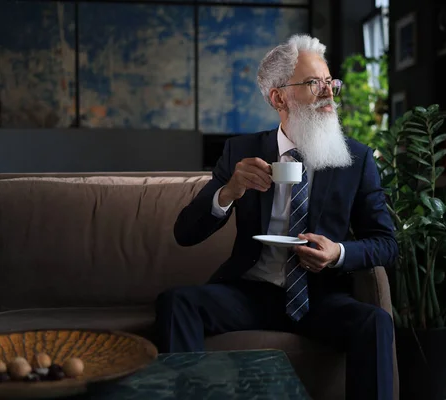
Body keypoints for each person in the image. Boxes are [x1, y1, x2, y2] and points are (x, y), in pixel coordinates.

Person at [155, 34, 398, 400]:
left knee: (375, 321)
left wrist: (338, 253)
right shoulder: (241, 151)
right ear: (278, 97)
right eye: (315, 83)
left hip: (321, 296)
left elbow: (386, 243)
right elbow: (185, 232)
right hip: (251, 292)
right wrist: (228, 192)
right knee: (177, 303)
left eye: (331, 82)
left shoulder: (357, 159)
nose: (330, 92)